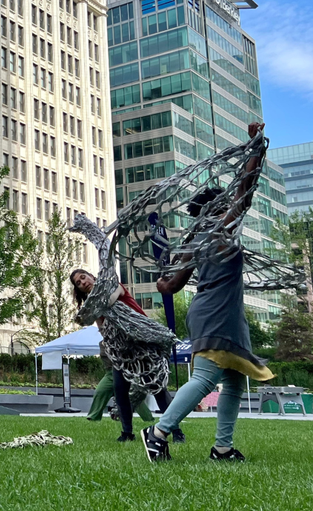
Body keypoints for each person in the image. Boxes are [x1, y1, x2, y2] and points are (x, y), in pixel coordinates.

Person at [142, 122, 272, 463]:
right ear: (213, 211)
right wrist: (256, 148)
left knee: (232, 381)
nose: (230, 208)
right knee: (205, 378)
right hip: (216, 313)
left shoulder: (194, 244)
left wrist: (162, 276)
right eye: (222, 205)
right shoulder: (219, 228)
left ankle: (223, 448)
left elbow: (169, 287)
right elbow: (245, 188)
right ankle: (157, 432)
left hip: (223, 314)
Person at [71, 269, 185, 443]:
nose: (83, 283)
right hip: (123, 352)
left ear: (92, 276)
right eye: (78, 283)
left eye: (83, 278)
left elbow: (110, 301)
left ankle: (176, 432)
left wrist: (92, 307)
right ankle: (127, 433)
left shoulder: (114, 287)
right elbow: (103, 330)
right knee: (120, 390)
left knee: (157, 388)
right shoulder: (93, 307)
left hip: (142, 345)